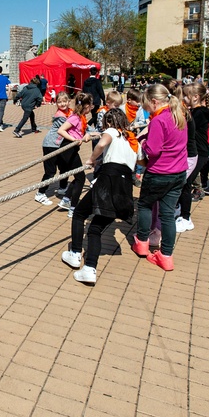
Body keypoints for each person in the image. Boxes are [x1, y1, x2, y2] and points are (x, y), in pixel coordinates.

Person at [62, 108, 137, 285]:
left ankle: (74, 253)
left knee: (80, 213)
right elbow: (141, 161)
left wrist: (92, 159)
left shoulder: (112, 131)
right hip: (125, 188)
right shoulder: (132, 143)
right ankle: (89, 269)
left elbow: (102, 143)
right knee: (96, 227)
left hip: (109, 181)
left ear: (109, 122)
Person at [131, 84, 188, 272]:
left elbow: (153, 150)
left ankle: (142, 242)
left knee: (145, 205)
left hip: (159, 172)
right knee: (167, 215)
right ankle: (166, 255)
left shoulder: (158, 120)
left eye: (146, 104)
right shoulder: (178, 115)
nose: (145, 108)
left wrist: (144, 142)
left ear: (154, 102)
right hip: (178, 172)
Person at [177, 83, 209, 233]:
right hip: (194, 152)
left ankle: (186, 218)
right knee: (183, 182)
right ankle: (179, 210)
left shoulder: (201, 112)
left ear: (195, 97)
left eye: (186, 95)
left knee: (186, 183)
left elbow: (190, 127)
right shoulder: (195, 111)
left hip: (200, 152)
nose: (184, 98)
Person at [57, 92, 97, 218]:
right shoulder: (75, 117)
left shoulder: (82, 117)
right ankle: (73, 207)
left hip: (73, 149)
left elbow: (81, 132)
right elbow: (61, 130)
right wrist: (73, 140)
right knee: (80, 178)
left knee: (78, 177)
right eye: (90, 105)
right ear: (85, 106)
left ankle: (66, 200)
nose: (92, 108)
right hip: (67, 148)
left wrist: (85, 135)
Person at [34, 92, 72, 205]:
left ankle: (63, 187)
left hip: (60, 145)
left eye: (64, 101)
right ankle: (40, 194)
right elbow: (73, 126)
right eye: (59, 102)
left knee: (64, 167)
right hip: (50, 145)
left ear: (69, 102)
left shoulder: (70, 112)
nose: (62, 104)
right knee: (50, 172)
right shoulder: (60, 116)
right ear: (56, 103)